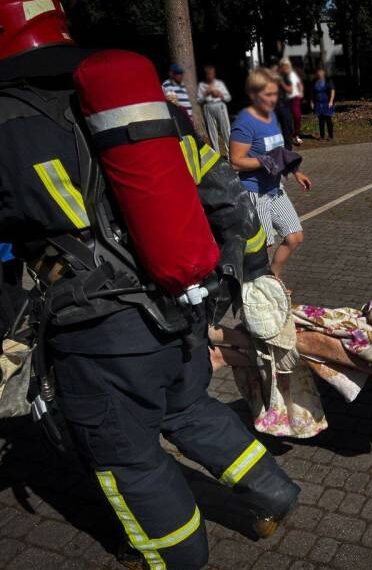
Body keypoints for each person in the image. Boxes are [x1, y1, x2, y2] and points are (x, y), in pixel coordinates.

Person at [0, 3, 299, 569]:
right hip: (183, 301)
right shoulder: (141, 103)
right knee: (187, 407)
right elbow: (225, 194)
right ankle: (275, 492)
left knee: (128, 459)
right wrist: (250, 276)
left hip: (98, 331)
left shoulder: (6, 120)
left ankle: (178, 558)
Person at [230, 68, 312, 278]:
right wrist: (262, 161)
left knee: (295, 237)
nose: (273, 99)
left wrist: (295, 171)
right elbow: (235, 162)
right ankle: (260, 289)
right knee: (263, 247)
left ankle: (273, 278)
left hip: (275, 188)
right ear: (253, 95)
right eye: (268, 94)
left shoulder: (271, 118)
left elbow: (279, 152)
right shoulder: (244, 124)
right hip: (255, 193)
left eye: (275, 93)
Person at [198, 64, 232, 155]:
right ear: (205, 75)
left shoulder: (219, 84)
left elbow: (228, 98)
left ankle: (230, 154)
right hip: (208, 107)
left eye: (211, 74)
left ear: (214, 74)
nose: (210, 76)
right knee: (212, 132)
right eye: (208, 74)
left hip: (219, 105)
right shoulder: (202, 85)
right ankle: (216, 155)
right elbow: (199, 100)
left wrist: (220, 94)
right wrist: (206, 93)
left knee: (225, 130)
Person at [279, 57, 304, 146]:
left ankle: (296, 135)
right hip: (286, 100)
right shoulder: (280, 76)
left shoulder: (293, 74)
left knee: (297, 116)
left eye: (287, 66)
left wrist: (301, 92)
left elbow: (299, 84)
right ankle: (289, 136)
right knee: (288, 119)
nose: (286, 67)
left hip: (295, 97)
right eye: (284, 66)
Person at [312, 66, 336, 141]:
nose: (320, 73)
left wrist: (331, 101)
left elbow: (332, 91)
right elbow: (312, 93)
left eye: (321, 72)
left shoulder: (328, 81)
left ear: (324, 73)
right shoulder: (314, 81)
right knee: (320, 120)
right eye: (318, 72)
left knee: (328, 119)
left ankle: (330, 136)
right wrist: (312, 102)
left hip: (327, 102)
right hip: (318, 103)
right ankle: (322, 136)